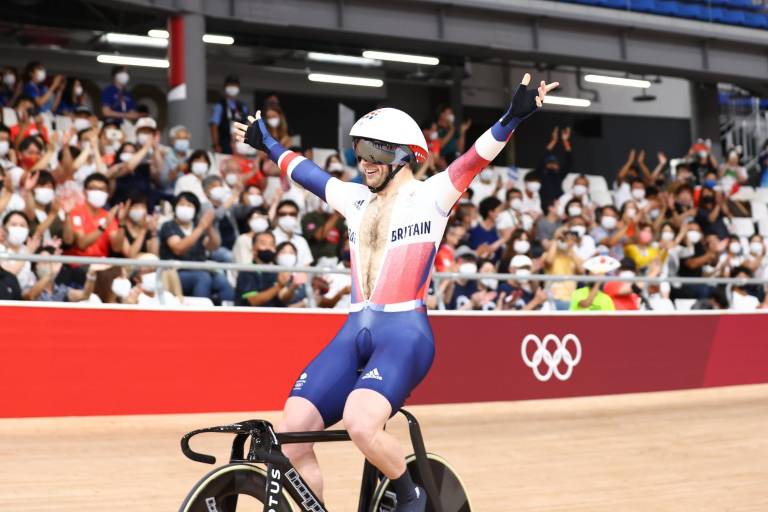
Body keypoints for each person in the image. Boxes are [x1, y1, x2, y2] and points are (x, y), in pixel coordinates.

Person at [233, 72, 557, 511]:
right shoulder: (354, 199)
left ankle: (412, 497)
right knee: (290, 435)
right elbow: (306, 173)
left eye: (372, 151)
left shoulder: (431, 197)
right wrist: (267, 144)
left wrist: (512, 117)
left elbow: (473, 160)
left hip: (404, 336)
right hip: (353, 333)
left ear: (403, 156)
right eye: (358, 149)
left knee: (360, 425)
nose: (362, 161)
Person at [159, 192, 234, 303]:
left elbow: (213, 246)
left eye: (189, 205)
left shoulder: (197, 225)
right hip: (176, 273)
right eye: (182, 205)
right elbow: (178, 248)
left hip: (200, 269)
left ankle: (229, 315)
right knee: (203, 278)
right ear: (175, 207)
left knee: (222, 281)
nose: (185, 208)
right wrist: (201, 227)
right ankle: (199, 316)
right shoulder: (169, 226)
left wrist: (208, 228)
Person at [235, 231, 299, 307]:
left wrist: (293, 287)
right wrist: (279, 286)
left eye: (271, 244)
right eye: (263, 244)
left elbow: (283, 299)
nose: (268, 248)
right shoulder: (247, 271)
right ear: (254, 249)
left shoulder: (277, 271)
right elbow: (252, 301)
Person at [210, 75, 249, 155]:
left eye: (235, 85)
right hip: (224, 143)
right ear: (225, 87)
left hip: (240, 144)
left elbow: (248, 125)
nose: (233, 88)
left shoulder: (243, 107)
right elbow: (214, 126)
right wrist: (215, 144)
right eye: (230, 85)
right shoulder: (220, 106)